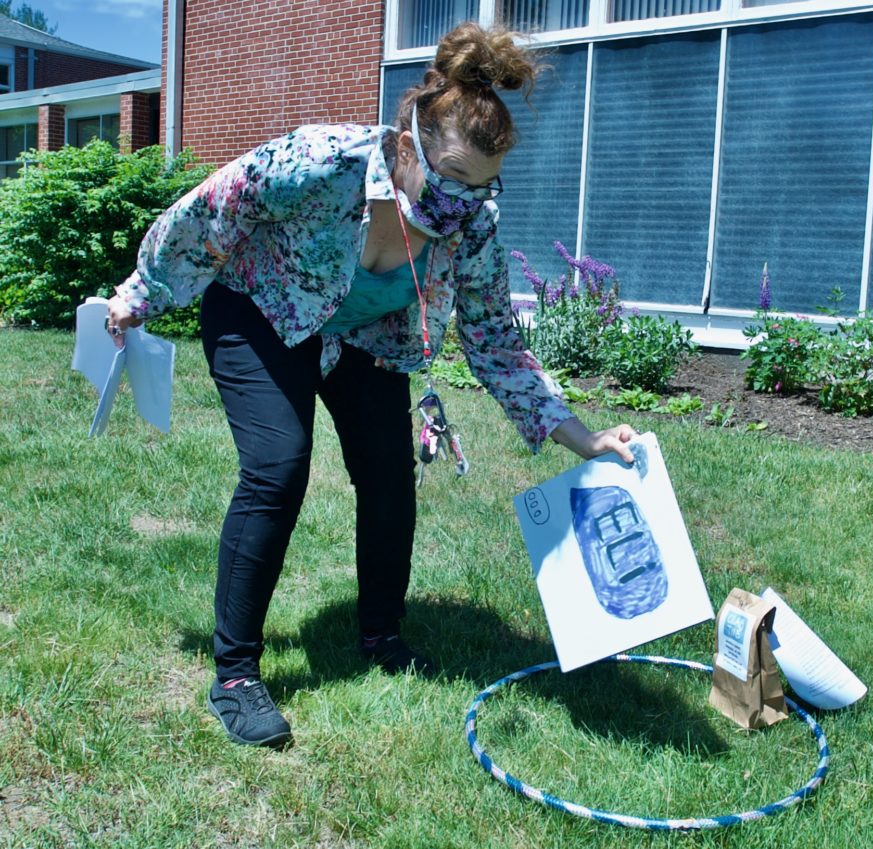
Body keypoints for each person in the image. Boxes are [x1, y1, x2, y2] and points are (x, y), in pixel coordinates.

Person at [106, 23, 637, 749]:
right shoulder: (324, 159)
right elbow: (212, 210)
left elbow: (497, 346)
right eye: (450, 184)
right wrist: (140, 292)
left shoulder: (472, 226)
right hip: (261, 307)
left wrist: (585, 437)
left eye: (481, 191)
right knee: (279, 464)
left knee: (390, 477)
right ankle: (235, 673)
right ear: (408, 145)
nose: (460, 207)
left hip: (362, 339)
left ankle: (382, 636)